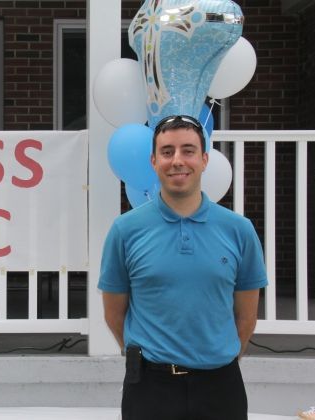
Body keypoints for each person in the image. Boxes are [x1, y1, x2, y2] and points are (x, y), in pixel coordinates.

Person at [98, 115, 268, 420]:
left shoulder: (239, 230)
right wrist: (150, 356)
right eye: (167, 152)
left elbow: (247, 317)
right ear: (154, 161)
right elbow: (114, 314)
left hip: (220, 387)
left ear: (204, 160)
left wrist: (215, 357)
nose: (177, 160)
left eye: (188, 151)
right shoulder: (125, 230)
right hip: (150, 388)